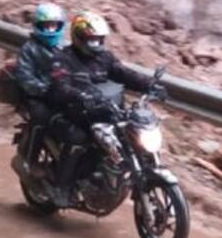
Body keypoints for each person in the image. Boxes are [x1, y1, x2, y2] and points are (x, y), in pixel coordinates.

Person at [46, 11, 163, 205]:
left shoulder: (104, 57)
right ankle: (62, 188)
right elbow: (60, 85)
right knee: (78, 139)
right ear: (79, 37)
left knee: (128, 133)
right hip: (72, 112)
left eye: (99, 40)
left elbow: (123, 73)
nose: (96, 44)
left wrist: (149, 84)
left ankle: (119, 175)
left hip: (102, 110)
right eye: (92, 40)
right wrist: (79, 95)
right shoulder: (63, 58)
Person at [13, 2, 67, 169]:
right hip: (37, 97)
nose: (51, 30)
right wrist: (45, 89)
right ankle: (31, 160)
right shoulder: (29, 49)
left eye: (54, 26)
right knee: (42, 119)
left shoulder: (65, 48)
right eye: (47, 26)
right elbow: (25, 77)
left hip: (62, 94)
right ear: (38, 26)